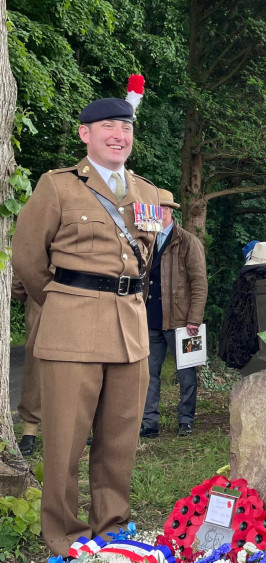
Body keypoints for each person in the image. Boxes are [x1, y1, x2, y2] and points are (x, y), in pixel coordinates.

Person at [12, 94, 162, 556]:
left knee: (119, 439)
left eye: (127, 129)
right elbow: (27, 258)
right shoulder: (57, 186)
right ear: (86, 134)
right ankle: (62, 533)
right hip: (71, 328)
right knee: (64, 443)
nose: (120, 136)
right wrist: (62, 303)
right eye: (109, 128)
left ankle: (112, 526)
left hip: (130, 332)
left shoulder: (149, 192)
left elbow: (145, 261)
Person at [140, 189, 207, 439]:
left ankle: (186, 420)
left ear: (169, 211)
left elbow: (199, 283)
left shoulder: (189, 241)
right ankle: (149, 424)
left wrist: (194, 319)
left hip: (182, 321)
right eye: (154, 209)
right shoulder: (145, 240)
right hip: (150, 318)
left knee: (187, 374)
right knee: (148, 374)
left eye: (162, 208)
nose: (158, 213)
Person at [10, 276, 43, 457]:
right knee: (36, 368)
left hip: (83, 299)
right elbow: (24, 266)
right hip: (43, 297)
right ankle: (29, 431)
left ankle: (78, 427)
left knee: (82, 367)